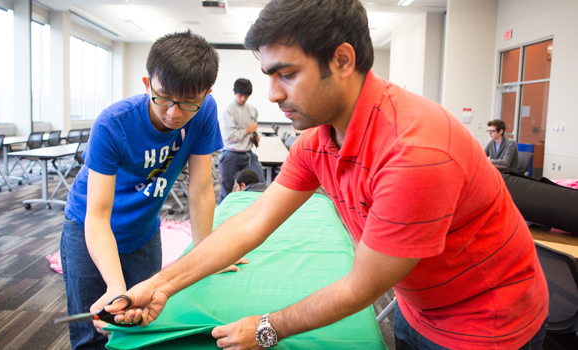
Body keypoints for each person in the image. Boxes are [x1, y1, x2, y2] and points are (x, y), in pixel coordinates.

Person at [109, 1, 548, 350]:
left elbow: (360, 287)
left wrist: (267, 328)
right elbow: (252, 221)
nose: (274, 93)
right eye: (269, 75)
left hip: (488, 325)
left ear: (342, 60)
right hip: (418, 309)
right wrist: (159, 284)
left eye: (288, 74)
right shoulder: (320, 139)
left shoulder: (414, 151)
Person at [60, 31, 245, 350]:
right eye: (163, 97)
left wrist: (206, 253)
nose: (174, 113)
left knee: (145, 320)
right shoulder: (113, 124)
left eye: (188, 103)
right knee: (94, 329)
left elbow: (200, 188)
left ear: (206, 93)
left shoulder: (204, 111)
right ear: (147, 84)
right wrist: (115, 284)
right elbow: (98, 215)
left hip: (144, 231)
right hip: (88, 228)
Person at [218, 78, 265, 203]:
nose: (243, 98)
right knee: (226, 190)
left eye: (246, 96)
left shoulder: (253, 110)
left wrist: (254, 137)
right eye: (240, 95)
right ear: (234, 93)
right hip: (230, 153)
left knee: (260, 185)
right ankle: (220, 219)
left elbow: (252, 131)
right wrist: (247, 131)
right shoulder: (227, 111)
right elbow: (229, 137)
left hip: (248, 154)